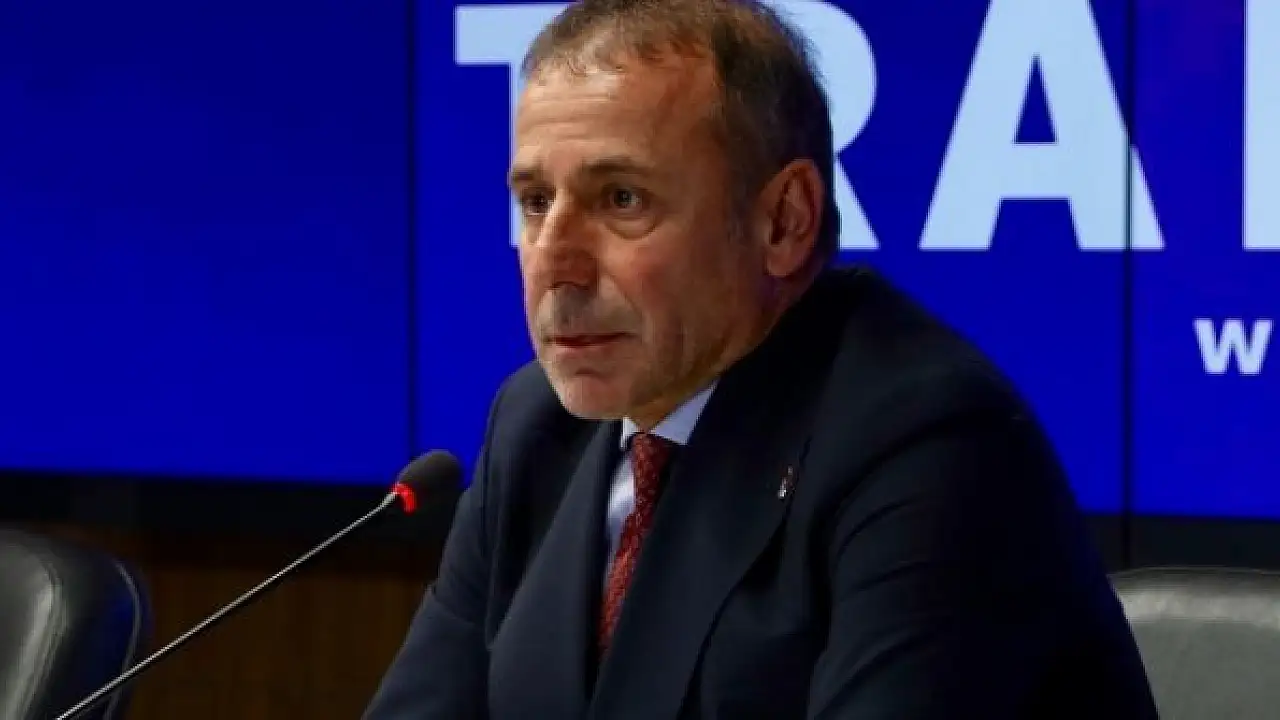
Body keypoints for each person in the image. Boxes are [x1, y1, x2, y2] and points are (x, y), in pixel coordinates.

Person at [364, 1, 1157, 717]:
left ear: (784, 220)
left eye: (622, 199)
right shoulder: (536, 425)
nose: (555, 262)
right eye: (537, 202)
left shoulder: (928, 443)